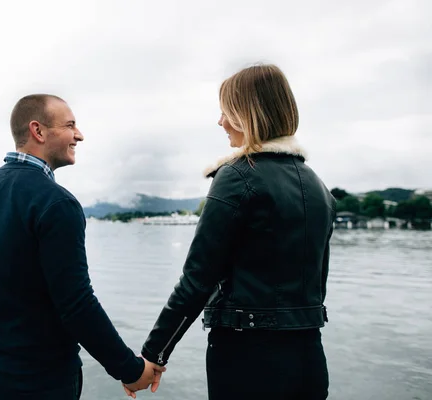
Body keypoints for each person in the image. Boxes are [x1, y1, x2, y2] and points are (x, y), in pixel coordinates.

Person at [134, 64, 336, 399]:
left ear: (247, 114)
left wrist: (153, 355)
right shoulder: (319, 188)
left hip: (249, 361)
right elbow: (317, 284)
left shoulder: (238, 177)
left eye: (226, 111)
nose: (221, 121)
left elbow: (198, 279)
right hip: (309, 359)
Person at [0, 94, 165, 400]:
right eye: (70, 126)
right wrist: (130, 369)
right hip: (37, 384)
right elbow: (76, 304)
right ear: (38, 131)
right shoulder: (56, 203)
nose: (79, 135)